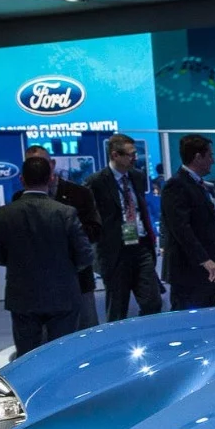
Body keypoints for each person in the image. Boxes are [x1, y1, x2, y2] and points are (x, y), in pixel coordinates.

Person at [0, 156, 95, 357]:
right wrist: (67, 270)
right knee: (62, 357)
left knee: (27, 359)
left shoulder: (3, 214)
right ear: (51, 178)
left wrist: (18, 264)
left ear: (21, 179)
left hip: (22, 296)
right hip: (62, 295)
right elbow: (85, 255)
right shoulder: (65, 212)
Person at [24, 145, 103, 329]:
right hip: (40, 286)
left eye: (42, 163)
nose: (38, 168)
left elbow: (95, 230)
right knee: (47, 339)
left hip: (78, 280)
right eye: (31, 164)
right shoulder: (21, 198)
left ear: (52, 164)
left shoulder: (80, 193)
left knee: (86, 332)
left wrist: (65, 235)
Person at [86, 134, 162, 321]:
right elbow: (89, 217)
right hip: (114, 252)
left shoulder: (137, 176)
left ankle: (146, 335)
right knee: (117, 308)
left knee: (153, 301)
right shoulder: (96, 182)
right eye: (130, 154)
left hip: (141, 246)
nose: (135, 158)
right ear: (115, 155)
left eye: (135, 154)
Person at [161, 134, 215, 307]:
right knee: (191, 318)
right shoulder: (176, 186)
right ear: (197, 157)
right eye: (210, 155)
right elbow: (181, 228)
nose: (213, 161)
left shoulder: (204, 186)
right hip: (193, 272)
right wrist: (204, 260)